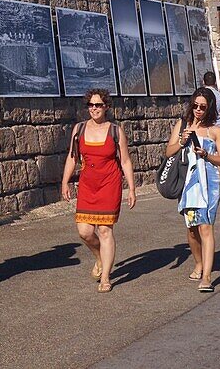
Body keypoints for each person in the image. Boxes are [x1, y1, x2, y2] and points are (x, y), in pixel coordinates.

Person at [60, 89, 137, 292]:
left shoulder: (115, 131)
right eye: (91, 105)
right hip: (87, 184)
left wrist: (132, 188)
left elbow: (126, 161)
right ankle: (99, 258)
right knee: (84, 232)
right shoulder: (79, 129)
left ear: (106, 107)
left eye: (98, 105)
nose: (94, 109)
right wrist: (65, 181)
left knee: (104, 230)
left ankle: (105, 278)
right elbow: (72, 157)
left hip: (109, 184)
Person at [165, 88, 220, 293]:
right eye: (195, 106)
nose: (198, 110)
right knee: (192, 229)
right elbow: (168, 152)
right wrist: (182, 141)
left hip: (209, 184)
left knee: (206, 227)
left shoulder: (215, 130)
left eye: (203, 107)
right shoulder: (182, 126)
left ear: (209, 108)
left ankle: (207, 277)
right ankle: (199, 263)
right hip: (189, 184)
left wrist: (207, 155)